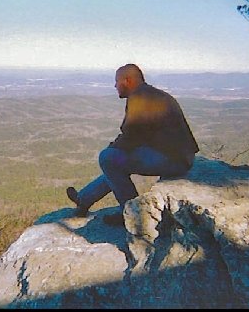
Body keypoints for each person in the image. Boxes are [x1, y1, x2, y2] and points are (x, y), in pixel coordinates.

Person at [67, 64, 199, 225]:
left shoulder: (139, 98)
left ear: (127, 80)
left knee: (108, 158)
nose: (115, 86)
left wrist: (112, 148)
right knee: (114, 163)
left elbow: (130, 135)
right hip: (180, 157)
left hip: (171, 160)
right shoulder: (152, 94)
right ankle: (83, 199)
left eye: (117, 81)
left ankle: (132, 214)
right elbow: (138, 134)